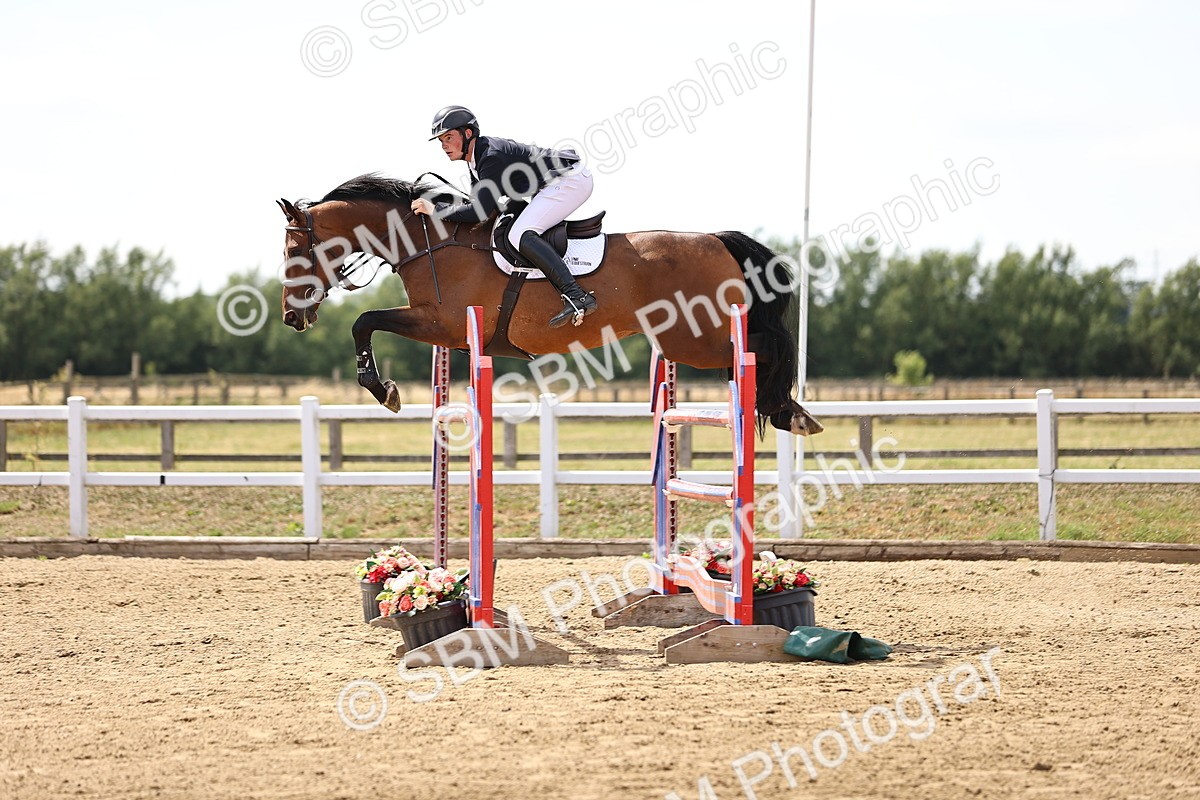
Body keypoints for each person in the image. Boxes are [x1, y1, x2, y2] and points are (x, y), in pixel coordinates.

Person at [410, 105, 598, 328]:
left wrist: (435, 209)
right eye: (441, 141)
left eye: (449, 137)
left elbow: (478, 212)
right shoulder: (475, 160)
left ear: (467, 133)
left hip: (570, 181)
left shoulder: (490, 157)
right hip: (554, 183)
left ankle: (576, 295)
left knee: (521, 234)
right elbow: (479, 205)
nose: (444, 146)